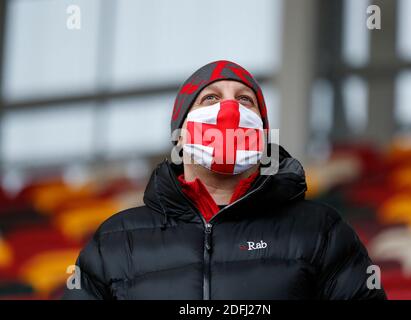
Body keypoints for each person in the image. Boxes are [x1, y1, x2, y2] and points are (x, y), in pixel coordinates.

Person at [62, 60, 386, 300]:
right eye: (210, 99)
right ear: (180, 134)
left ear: (262, 134)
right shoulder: (116, 242)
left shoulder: (320, 230)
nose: (229, 109)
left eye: (245, 100)